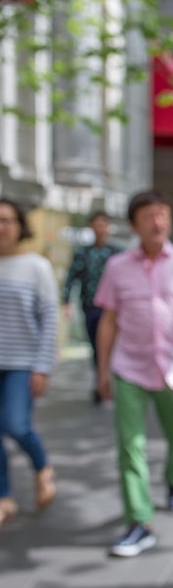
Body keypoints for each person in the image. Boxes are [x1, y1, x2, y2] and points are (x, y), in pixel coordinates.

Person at [95, 190, 173, 557]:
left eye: (163, 213)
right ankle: (139, 521)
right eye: (150, 215)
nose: (158, 221)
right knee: (130, 445)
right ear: (135, 224)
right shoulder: (117, 266)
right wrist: (102, 371)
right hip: (128, 367)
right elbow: (108, 320)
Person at [0, 197, 58, 526]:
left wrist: (42, 366)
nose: (2, 227)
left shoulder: (36, 267)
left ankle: (42, 466)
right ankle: (4, 497)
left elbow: (49, 318)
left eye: (8, 220)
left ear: (20, 226)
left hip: (21, 362)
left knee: (16, 424)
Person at [61, 211, 121, 403]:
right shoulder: (83, 252)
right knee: (96, 346)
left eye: (103, 223)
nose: (100, 228)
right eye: (96, 224)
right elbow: (72, 276)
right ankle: (100, 380)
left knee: (112, 345)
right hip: (90, 306)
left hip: (112, 309)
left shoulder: (116, 253)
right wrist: (66, 301)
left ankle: (111, 380)